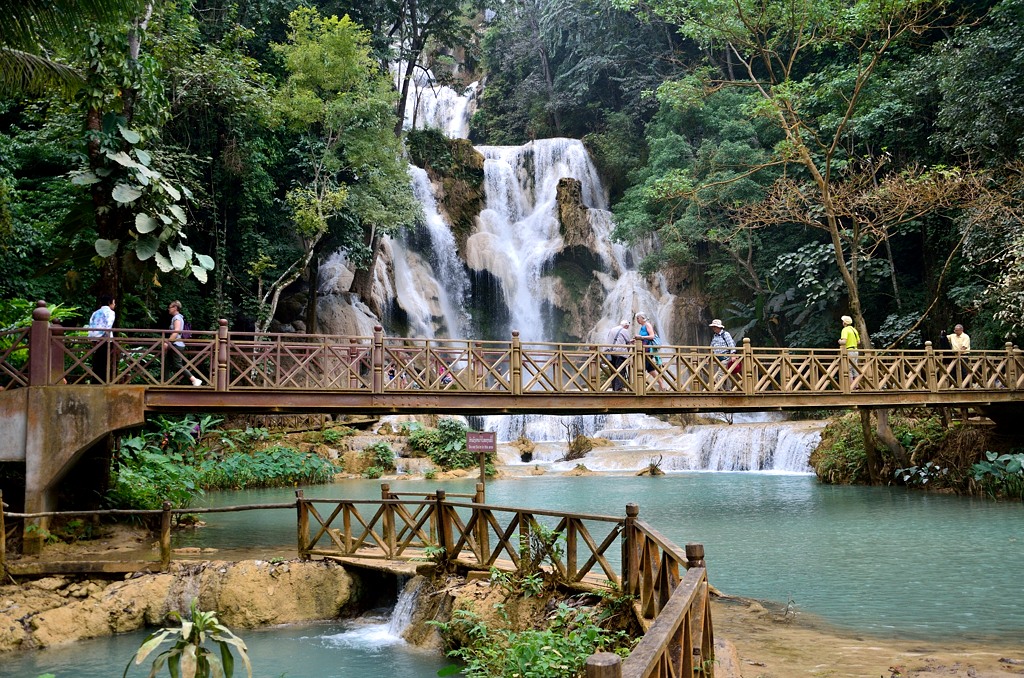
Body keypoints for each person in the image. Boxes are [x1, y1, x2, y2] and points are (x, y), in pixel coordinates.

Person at [167, 300, 202, 386]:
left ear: (175, 308)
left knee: (178, 365)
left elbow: (176, 331)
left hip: (176, 344)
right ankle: (165, 382)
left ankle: (194, 379)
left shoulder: (177, 318)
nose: (168, 309)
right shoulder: (178, 317)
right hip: (175, 344)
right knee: (167, 363)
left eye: (170, 307)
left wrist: (168, 342)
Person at [87, 295, 116, 382]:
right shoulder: (110, 313)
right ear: (109, 303)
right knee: (104, 361)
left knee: (97, 361)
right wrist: (105, 338)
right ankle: (103, 381)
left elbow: (91, 325)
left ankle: (95, 380)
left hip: (95, 340)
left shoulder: (95, 313)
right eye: (113, 302)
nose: (114, 305)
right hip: (104, 340)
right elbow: (108, 326)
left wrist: (92, 338)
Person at [634, 312, 666, 391]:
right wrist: (634, 340)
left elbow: (652, 336)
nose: (637, 320)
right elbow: (642, 338)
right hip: (643, 350)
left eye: (638, 318)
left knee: (641, 367)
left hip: (648, 350)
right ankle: (662, 385)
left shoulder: (647, 325)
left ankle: (640, 388)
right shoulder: (642, 327)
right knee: (650, 369)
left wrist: (641, 337)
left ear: (642, 318)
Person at [604, 319, 631, 391]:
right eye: (627, 327)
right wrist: (628, 353)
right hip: (620, 353)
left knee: (614, 371)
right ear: (626, 325)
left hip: (610, 353)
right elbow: (628, 343)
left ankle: (614, 388)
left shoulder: (612, 329)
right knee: (620, 371)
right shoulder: (624, 330)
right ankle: (618, 389)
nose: (628, 328)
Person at [708, 319, 736, 389]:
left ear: (719, 327)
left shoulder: (725, 334)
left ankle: (717, 389)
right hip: (717, 358)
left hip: (725, 357)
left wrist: (733, 355)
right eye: (713, 327)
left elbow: (731, 344)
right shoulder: (715, 336)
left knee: (720, 372)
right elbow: (712, 346)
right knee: (726, 372)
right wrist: (708, 356)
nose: (713, 328)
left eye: (715, 327)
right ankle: (728, 389)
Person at [840, 315, 861, 387]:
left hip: (849, 351)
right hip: (856, 350)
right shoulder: (854, 330)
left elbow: (844, 341)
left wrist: (839, 341)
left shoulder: (845, 330)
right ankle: (856, 386)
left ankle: (851, 387)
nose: (842, 322)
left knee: (848, 369)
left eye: (843, 321)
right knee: (855, 368)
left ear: (845, 323)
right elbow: (858, 342)